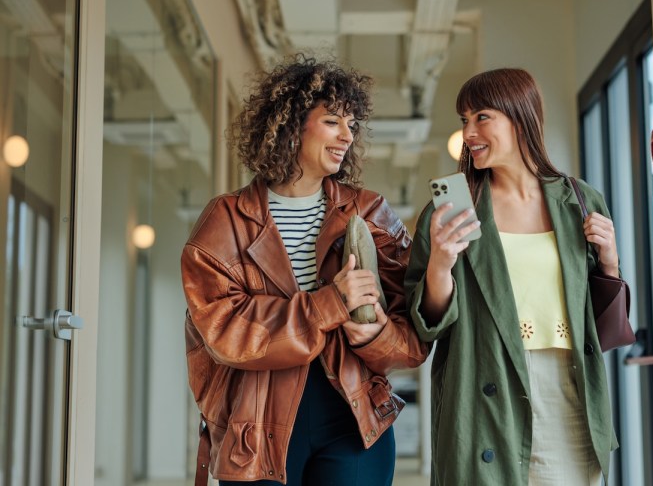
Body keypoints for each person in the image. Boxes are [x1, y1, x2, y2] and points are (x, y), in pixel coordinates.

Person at [182, 54, 428, 486]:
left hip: (354, 423)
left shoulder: (369, 212)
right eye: (333, 121)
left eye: (352, 124)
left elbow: (413, 333)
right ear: (291, 125)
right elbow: (226, 332)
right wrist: (330, 303)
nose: (347, 135)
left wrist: (376, 335)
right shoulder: (226, 220)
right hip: (254, 428)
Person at [405, 68, 620, 486]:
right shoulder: (451, 210)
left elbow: (600, 322)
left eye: (482, 117)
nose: (469, 132)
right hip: (482, 386)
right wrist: (440, 265)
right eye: (464, 120)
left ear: (521, 118)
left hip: (568, 391)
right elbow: (426, 326)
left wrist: (609, 262)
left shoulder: (579, 200)